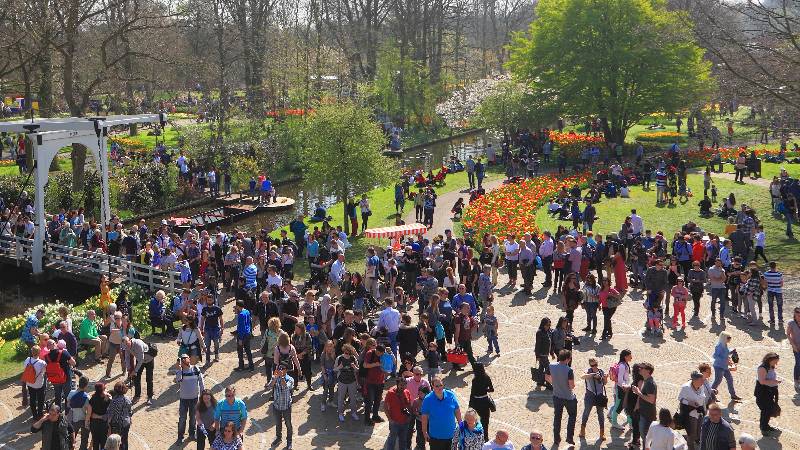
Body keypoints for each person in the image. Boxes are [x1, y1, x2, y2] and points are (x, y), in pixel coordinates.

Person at [545, 349, 576, 445]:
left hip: (556, 396)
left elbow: (546, 377)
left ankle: (556, 439)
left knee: (557, 418)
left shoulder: (551, 366)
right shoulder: (569, 370)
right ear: (567, 359)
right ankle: (569, 437)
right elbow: (571, 386)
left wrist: (554, 383)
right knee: (572, 416)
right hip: (568, 397)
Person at [421, 376, 461, 450]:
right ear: (432, 386)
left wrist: (461, 425)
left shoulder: (451, 395)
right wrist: (424, 431)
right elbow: (424, 417)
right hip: (435, 437)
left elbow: (457, 410)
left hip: (451, 435)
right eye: (437, 386)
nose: (439, 388)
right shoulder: (428, 399)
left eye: (441, 385)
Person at [175, 353, 205, 445]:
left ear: (189, 359)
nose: (185, 360)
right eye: (183, 359)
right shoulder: (180, 371)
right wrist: (179, 369)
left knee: (193, 418)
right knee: (182, 418)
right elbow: (178, 380)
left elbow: (201, 382)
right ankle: (180, 437)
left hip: (194, 399)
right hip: (183, 399)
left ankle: (192, 434)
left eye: (186, 358)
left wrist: (202, 395)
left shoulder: (196, 369)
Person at [579, 357, 607, 441]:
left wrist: (605, 378)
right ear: (590, 365)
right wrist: (592, 375)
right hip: (590, 395)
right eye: (593, 365)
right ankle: (582, 430)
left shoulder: (601, 371)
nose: (595, 366)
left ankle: (602, 433)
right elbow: (582, 376)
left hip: (599, 395)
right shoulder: (588, 371)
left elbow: (604, 383)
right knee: (586, 412)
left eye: (596, 364)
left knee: (601, 414)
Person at [679, 371, 708, 450]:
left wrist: (704, 410)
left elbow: (703, 398)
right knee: (692, 434)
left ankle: (686, 437)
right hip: (690, 414)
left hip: (700, 412)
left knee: (698, 432)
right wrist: (690, 403)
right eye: (701, 380)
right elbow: (680, 399)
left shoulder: (701, 386)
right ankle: (690, 447)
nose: (703, 381)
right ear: (695, 380)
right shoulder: (686, 387)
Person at [269, 364, 295, 449]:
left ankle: (289, 441)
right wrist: (275, 378)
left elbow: (286, 387)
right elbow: (269, 386)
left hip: (286, 407)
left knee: (288, 425)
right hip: (277, 406)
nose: (280, 370)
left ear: (286, 370)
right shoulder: (275, 378)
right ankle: (278, 438)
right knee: (278, 424)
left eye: (282, 369)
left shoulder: (290, 379)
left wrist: (282, 377)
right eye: (279, 368)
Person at [754, 352, 781, 435]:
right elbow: (762, 381)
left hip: (769, 392)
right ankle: (764, 428)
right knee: (765, 411)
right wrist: (774, 381)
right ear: (770, 360)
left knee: (768, 410)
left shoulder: (770, 366)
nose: (776, 363)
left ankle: (765, 426)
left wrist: (774, 382)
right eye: (775, 361)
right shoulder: (762, 368)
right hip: (763, 393)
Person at [383, 376, 412, 450]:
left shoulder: (407, 392)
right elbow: (385, 407)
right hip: (395, 422)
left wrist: (409, 417)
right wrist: (390, 419)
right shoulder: (390, 393)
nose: (403, 386)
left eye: (405, 385)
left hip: (405, 422)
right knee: (392, 441)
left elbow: (409, 405)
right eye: (401, 385)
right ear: (397, 384)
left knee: (403, 441)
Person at [632, 362, 657, 445]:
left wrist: (638, 393)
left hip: (647, 415)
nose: (639, 369)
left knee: (646, 438)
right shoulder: (646, 381)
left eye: (641, 368)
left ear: (648, 371)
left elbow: (651, 400)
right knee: (645, 437)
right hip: (644, 413)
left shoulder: (650, 383)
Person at [123, 337, 154, 405]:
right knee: (136, 378)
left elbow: (141, 360)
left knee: (149, 379)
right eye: (125, 346)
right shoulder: (126, 346)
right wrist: (129, 369)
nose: (127, 347)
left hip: (148, 360)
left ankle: (150, 397)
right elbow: (127, 358)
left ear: (130, 340)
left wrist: (135, 371)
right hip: (140, 360)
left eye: (127, 344)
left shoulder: (138, 344)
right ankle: (137, 396)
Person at [711, 332, 741, 402]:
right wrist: (725, 360)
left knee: (730, 380)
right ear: (724, 338)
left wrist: (732, 351)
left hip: (724, 366)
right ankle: (710, 394)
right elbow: (715, 356)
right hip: (719, 366)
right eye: (728, 338)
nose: (729, 339)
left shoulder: (725, 344)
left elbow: (725, 353)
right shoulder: (719, 346)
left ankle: (733, 395)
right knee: (717, 381)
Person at [469, 362, 494, 441]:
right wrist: (485, 389)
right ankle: (485, 438)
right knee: (485, 421)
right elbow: (492, 389)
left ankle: (476, 437)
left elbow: (473, 393)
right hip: (485, 401)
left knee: (474, 421)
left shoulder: (475, 380)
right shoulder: (487, 377)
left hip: (476, 402)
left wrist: (470, 405)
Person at [22, 346, 47, 420]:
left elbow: (25, 369)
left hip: (29, 383)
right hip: (39, 384)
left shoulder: (27, 360)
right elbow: (44, 372)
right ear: (39, 353)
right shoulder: (42, 363)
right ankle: (40, 414)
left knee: (32, 399)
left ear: (32, 352)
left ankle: (34, 415)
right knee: (40, 399)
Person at [106, 382, 132, 450]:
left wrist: (108, 423)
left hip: (117, 424)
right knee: (124, 440)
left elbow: (111, 414)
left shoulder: (114, 401)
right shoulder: (128, 399)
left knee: (117, 441)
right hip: (126, 422)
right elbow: (130, 411)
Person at [67, 375, 91, 450]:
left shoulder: (71, 393)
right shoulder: (87, 397)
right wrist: (87, 422)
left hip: (73, 420)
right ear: (86, 385)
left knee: (71, 437)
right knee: (84, 438)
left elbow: (68, 405)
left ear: (79, 383)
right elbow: (88, 412)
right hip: (83, 419)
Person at [86, 382, 111, 450]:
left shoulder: (93, 399)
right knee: (103, 441)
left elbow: (89, 413)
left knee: (95, 441)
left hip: (94, 423)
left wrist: (87, 422)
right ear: (103, 389)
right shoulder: (108, 399)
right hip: (104, 423)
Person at [233, 300, 254, 372]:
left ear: (238, 306)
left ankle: (241, 367)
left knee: (240, 351)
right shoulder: (247, 311)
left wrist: (241, 339)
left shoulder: (241, 314)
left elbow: (242, 327)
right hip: (247, 333)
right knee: (248, 350)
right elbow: (249, 323)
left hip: (242, 335)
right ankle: (251, 366)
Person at [787, 306, 800, 390]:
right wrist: (793, 345)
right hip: (796, 348)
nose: (799, 314)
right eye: (797, 312)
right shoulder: (791, 323)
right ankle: (796, 380)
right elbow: (788, 335)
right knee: (798, 363)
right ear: (794, 313)